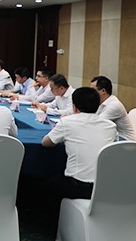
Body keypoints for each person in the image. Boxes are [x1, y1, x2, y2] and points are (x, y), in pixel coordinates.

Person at [41, 87, 118, 228]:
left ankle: (56, 226)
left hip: (78, 186)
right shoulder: (111, 126)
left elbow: (46, 143)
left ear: (74, 107)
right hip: (105, 186)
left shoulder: (67, 122)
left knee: (46, 183)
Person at [91, 76, 136, 141]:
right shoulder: (100, 102)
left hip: (125, 140)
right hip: (113, 136)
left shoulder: (114, 105)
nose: (90, 93)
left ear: (103, 91)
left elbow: (96, 123)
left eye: (93, 90)